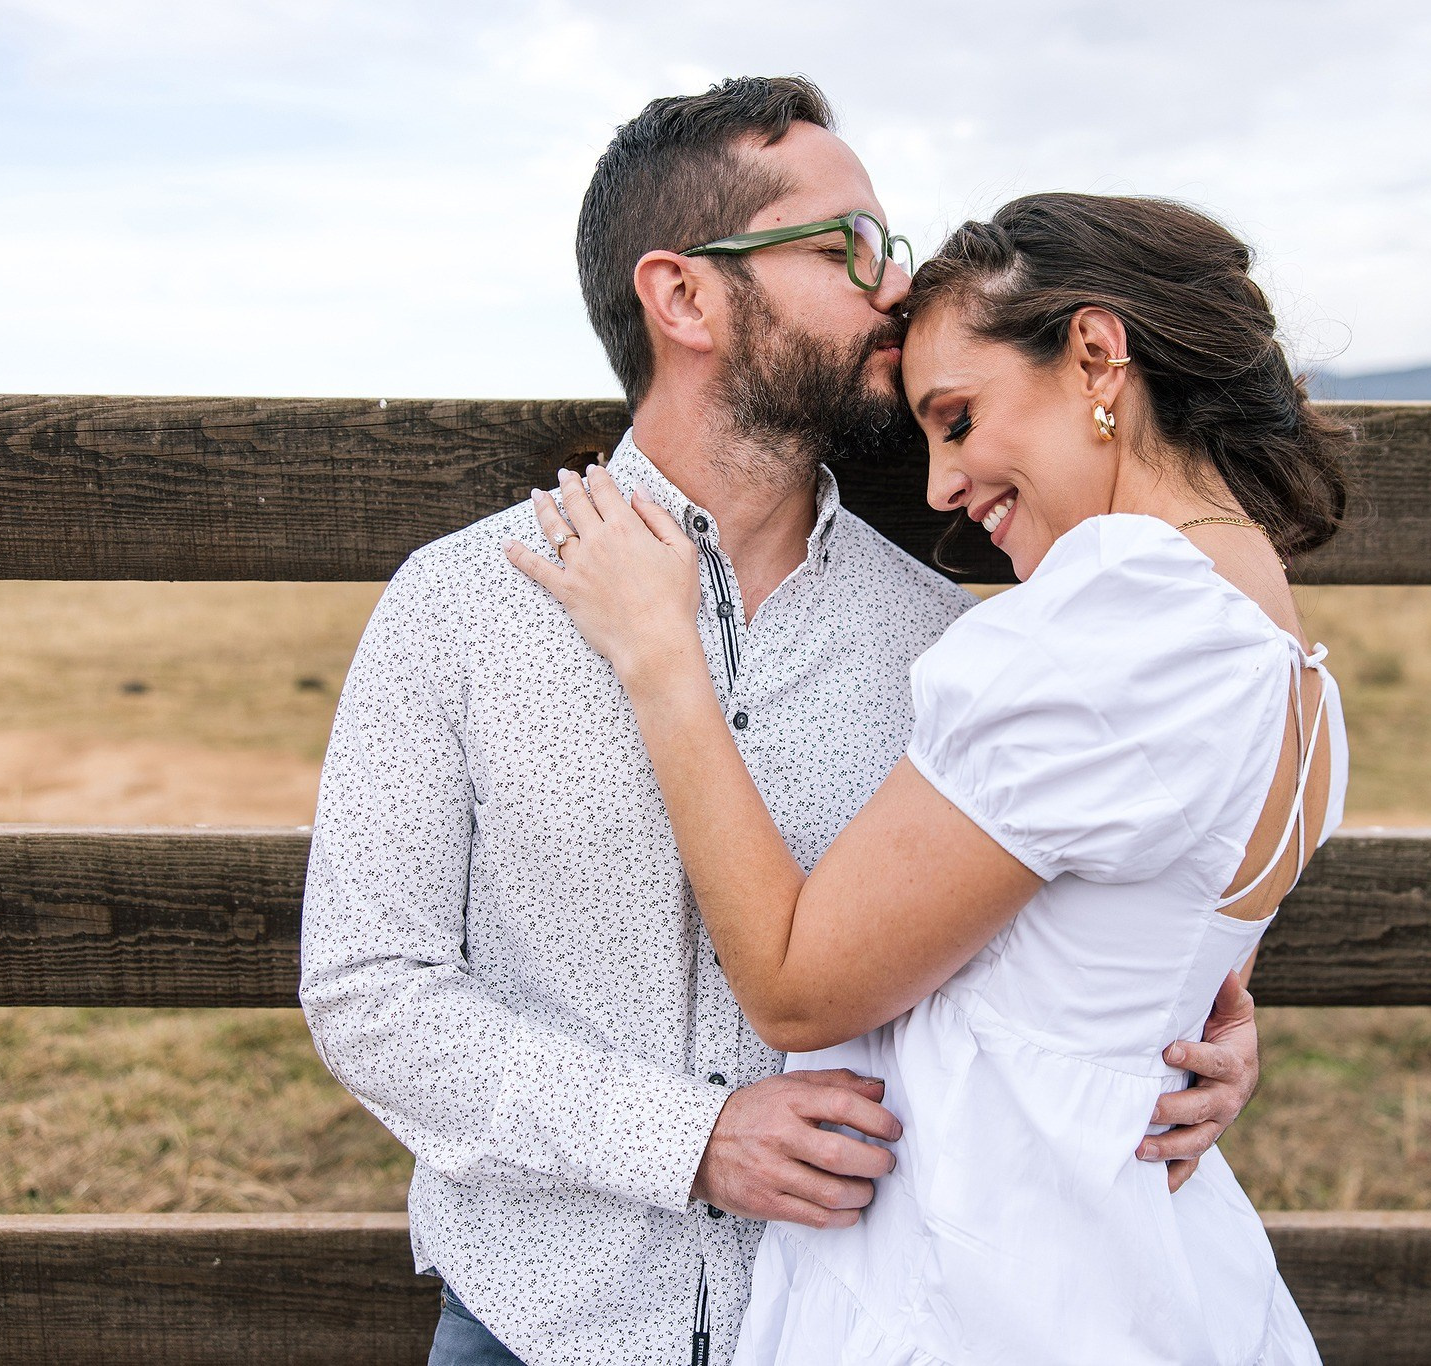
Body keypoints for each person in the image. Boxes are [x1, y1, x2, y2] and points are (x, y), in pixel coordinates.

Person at [298, 77, 1262, 1366]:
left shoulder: (953, 640)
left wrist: (1187, 1023)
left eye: (894, 245)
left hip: (856, 1316)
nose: (897, 287)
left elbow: (1050, 927)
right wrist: (686, 1139)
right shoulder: (460, 604)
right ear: (684, 296)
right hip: (538, 1321)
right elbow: (369, 992)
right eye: (850, 245)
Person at [503, 190, 1353, 1365]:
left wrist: (662, 657)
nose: (944, 484)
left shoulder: (1108, 621)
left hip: (988, 1293)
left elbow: (800, 989)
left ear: (1096, 355)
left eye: (957, 418)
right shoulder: (1286, 662)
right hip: (1131, 1268)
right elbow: (1169, 984)